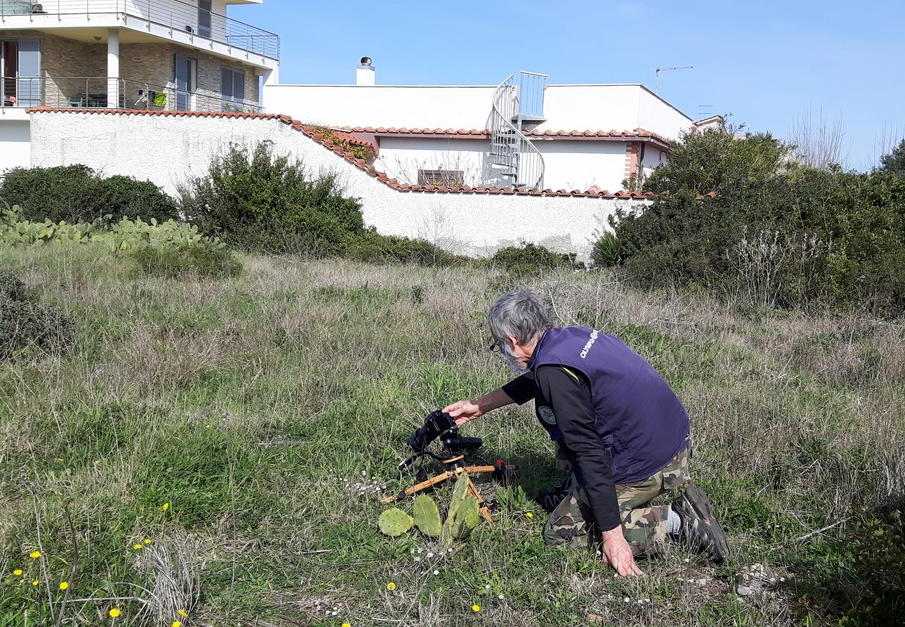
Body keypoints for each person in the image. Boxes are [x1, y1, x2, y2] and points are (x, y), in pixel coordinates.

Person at [443, 290, 729, 577]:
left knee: (563, 534)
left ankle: (680, 521)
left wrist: (613, 537)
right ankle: (584, 493)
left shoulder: (554, 372)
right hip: (674, 440)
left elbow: (589, 453)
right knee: (571, 441)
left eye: (500, 344)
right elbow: (538, 379)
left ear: (512, 341)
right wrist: (479, 406)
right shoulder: (571, 338)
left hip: (649, 464)